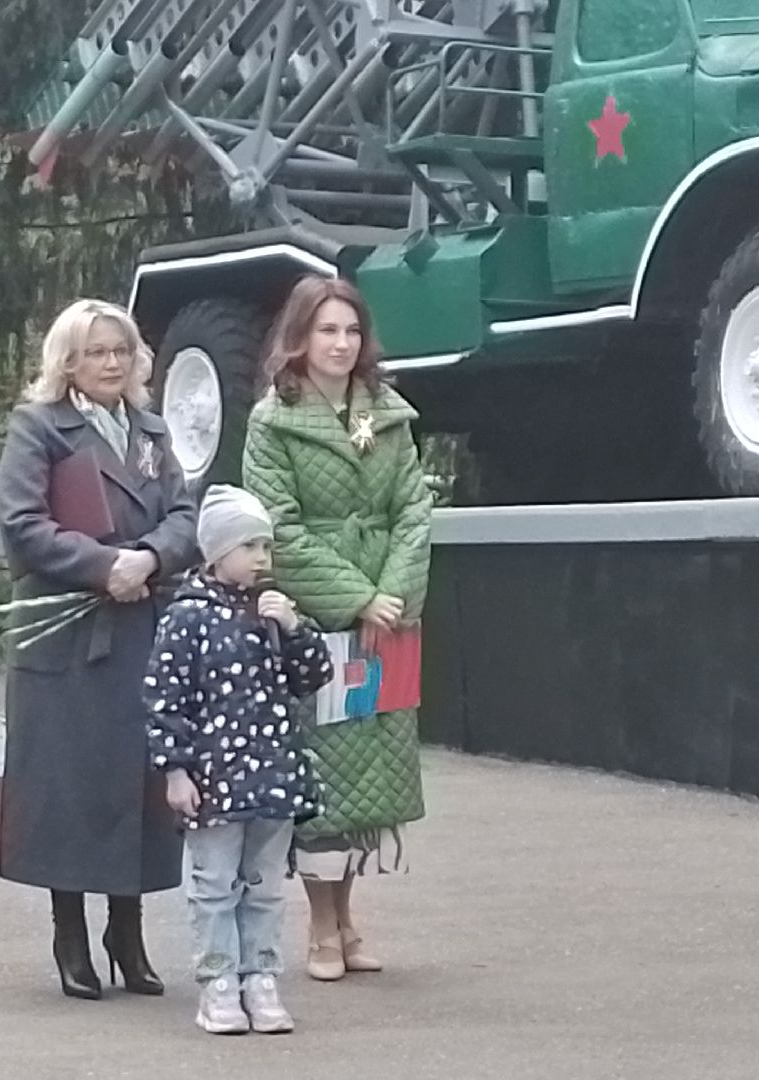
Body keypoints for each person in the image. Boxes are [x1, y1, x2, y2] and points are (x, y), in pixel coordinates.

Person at [0, 298, 198, 1001]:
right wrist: (100, 565)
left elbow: (183, 515)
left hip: (141, 625)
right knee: (71, 787)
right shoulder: (39, 427)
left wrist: (146, 558)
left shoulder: (150, 429)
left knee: (136, 783)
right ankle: (71, 933)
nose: (111, 363)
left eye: (121, 350)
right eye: (96, 352)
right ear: (68, 361)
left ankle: (127, 930)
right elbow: (21, 523)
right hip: (69, 636)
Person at [242, 275, 433, 982]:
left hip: (388, 617)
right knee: (323, 773)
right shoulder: (273, 420)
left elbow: (415, 509)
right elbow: (277, 530)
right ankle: (320, 926)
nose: (341, 344)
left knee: (371, 776)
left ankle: (351, 916)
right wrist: (354, 596)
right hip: (318, 621)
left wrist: (391, 593)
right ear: (300, 337)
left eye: (351, 331)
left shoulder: (387, 412)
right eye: (327, 330)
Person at [145, 484, 334, 1035]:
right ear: (216, 552)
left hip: (273, 776)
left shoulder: (273, 613)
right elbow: (164, 697)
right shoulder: (187, 618)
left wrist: (295, 629)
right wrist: (175, 769)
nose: (261, 559)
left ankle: (263, 977)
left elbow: (313, 677)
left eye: (266, 548)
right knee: (213, 882)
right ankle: (218, 982)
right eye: (249, 546)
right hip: (215, 780)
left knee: (266, 884)